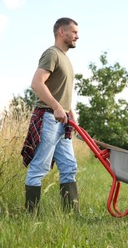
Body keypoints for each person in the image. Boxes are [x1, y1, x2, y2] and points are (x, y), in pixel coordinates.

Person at [21, 17, 79, 214]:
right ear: (62, 32)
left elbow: (62, 93)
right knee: (39, 168)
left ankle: (71, 214)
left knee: (69, 166)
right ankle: (31, 215)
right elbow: (37, 83)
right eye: (74, 32)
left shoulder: (66, 59)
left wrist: (71, 115)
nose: (77, 36)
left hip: (63, 121)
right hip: (49, 118)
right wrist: (55, 107)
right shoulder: (52, 54)